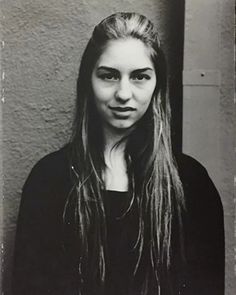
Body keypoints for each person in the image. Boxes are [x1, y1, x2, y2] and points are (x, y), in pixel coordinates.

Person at [12, 12, 224, 295]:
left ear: (157, 85)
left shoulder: (191, 184)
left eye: (140, 77)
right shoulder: (49, 180)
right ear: (89, 81)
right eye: (109, 76)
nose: (123, 93)